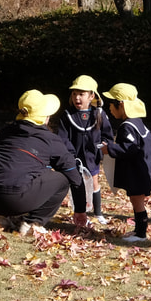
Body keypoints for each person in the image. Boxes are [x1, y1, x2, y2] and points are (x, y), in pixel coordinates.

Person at [0, 90, 86, 235]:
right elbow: (74, 176)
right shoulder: (50, 139)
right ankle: (33, 223)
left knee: (7, 174)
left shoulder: (7, 131)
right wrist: (80, 210)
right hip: (14, 199)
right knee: (62, 179)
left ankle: (1, 217)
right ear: (44, 118)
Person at [100, 83, 151, 242]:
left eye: (111, 104)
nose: (109, 109)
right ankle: (138, 231)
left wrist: (110, 149)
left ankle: (141, 234)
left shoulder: (128, 126)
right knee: (136, 200)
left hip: (138, 172)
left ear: (121, 105)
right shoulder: (137, 122)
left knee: (137, 202)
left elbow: (130, 148)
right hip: (142, 170)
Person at [57, 74, 115, 225]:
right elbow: (63, 138)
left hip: (92, 156)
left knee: (94, 182)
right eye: (74, 94)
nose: (77, 98)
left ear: (91, 96)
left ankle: (98, 213)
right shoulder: (67, 115)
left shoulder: (99, 114)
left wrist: (102, 146)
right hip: (73, 157)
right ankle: (79, 212)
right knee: (76, 184)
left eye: (81, 94)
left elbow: (107, 136)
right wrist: (70, 154)